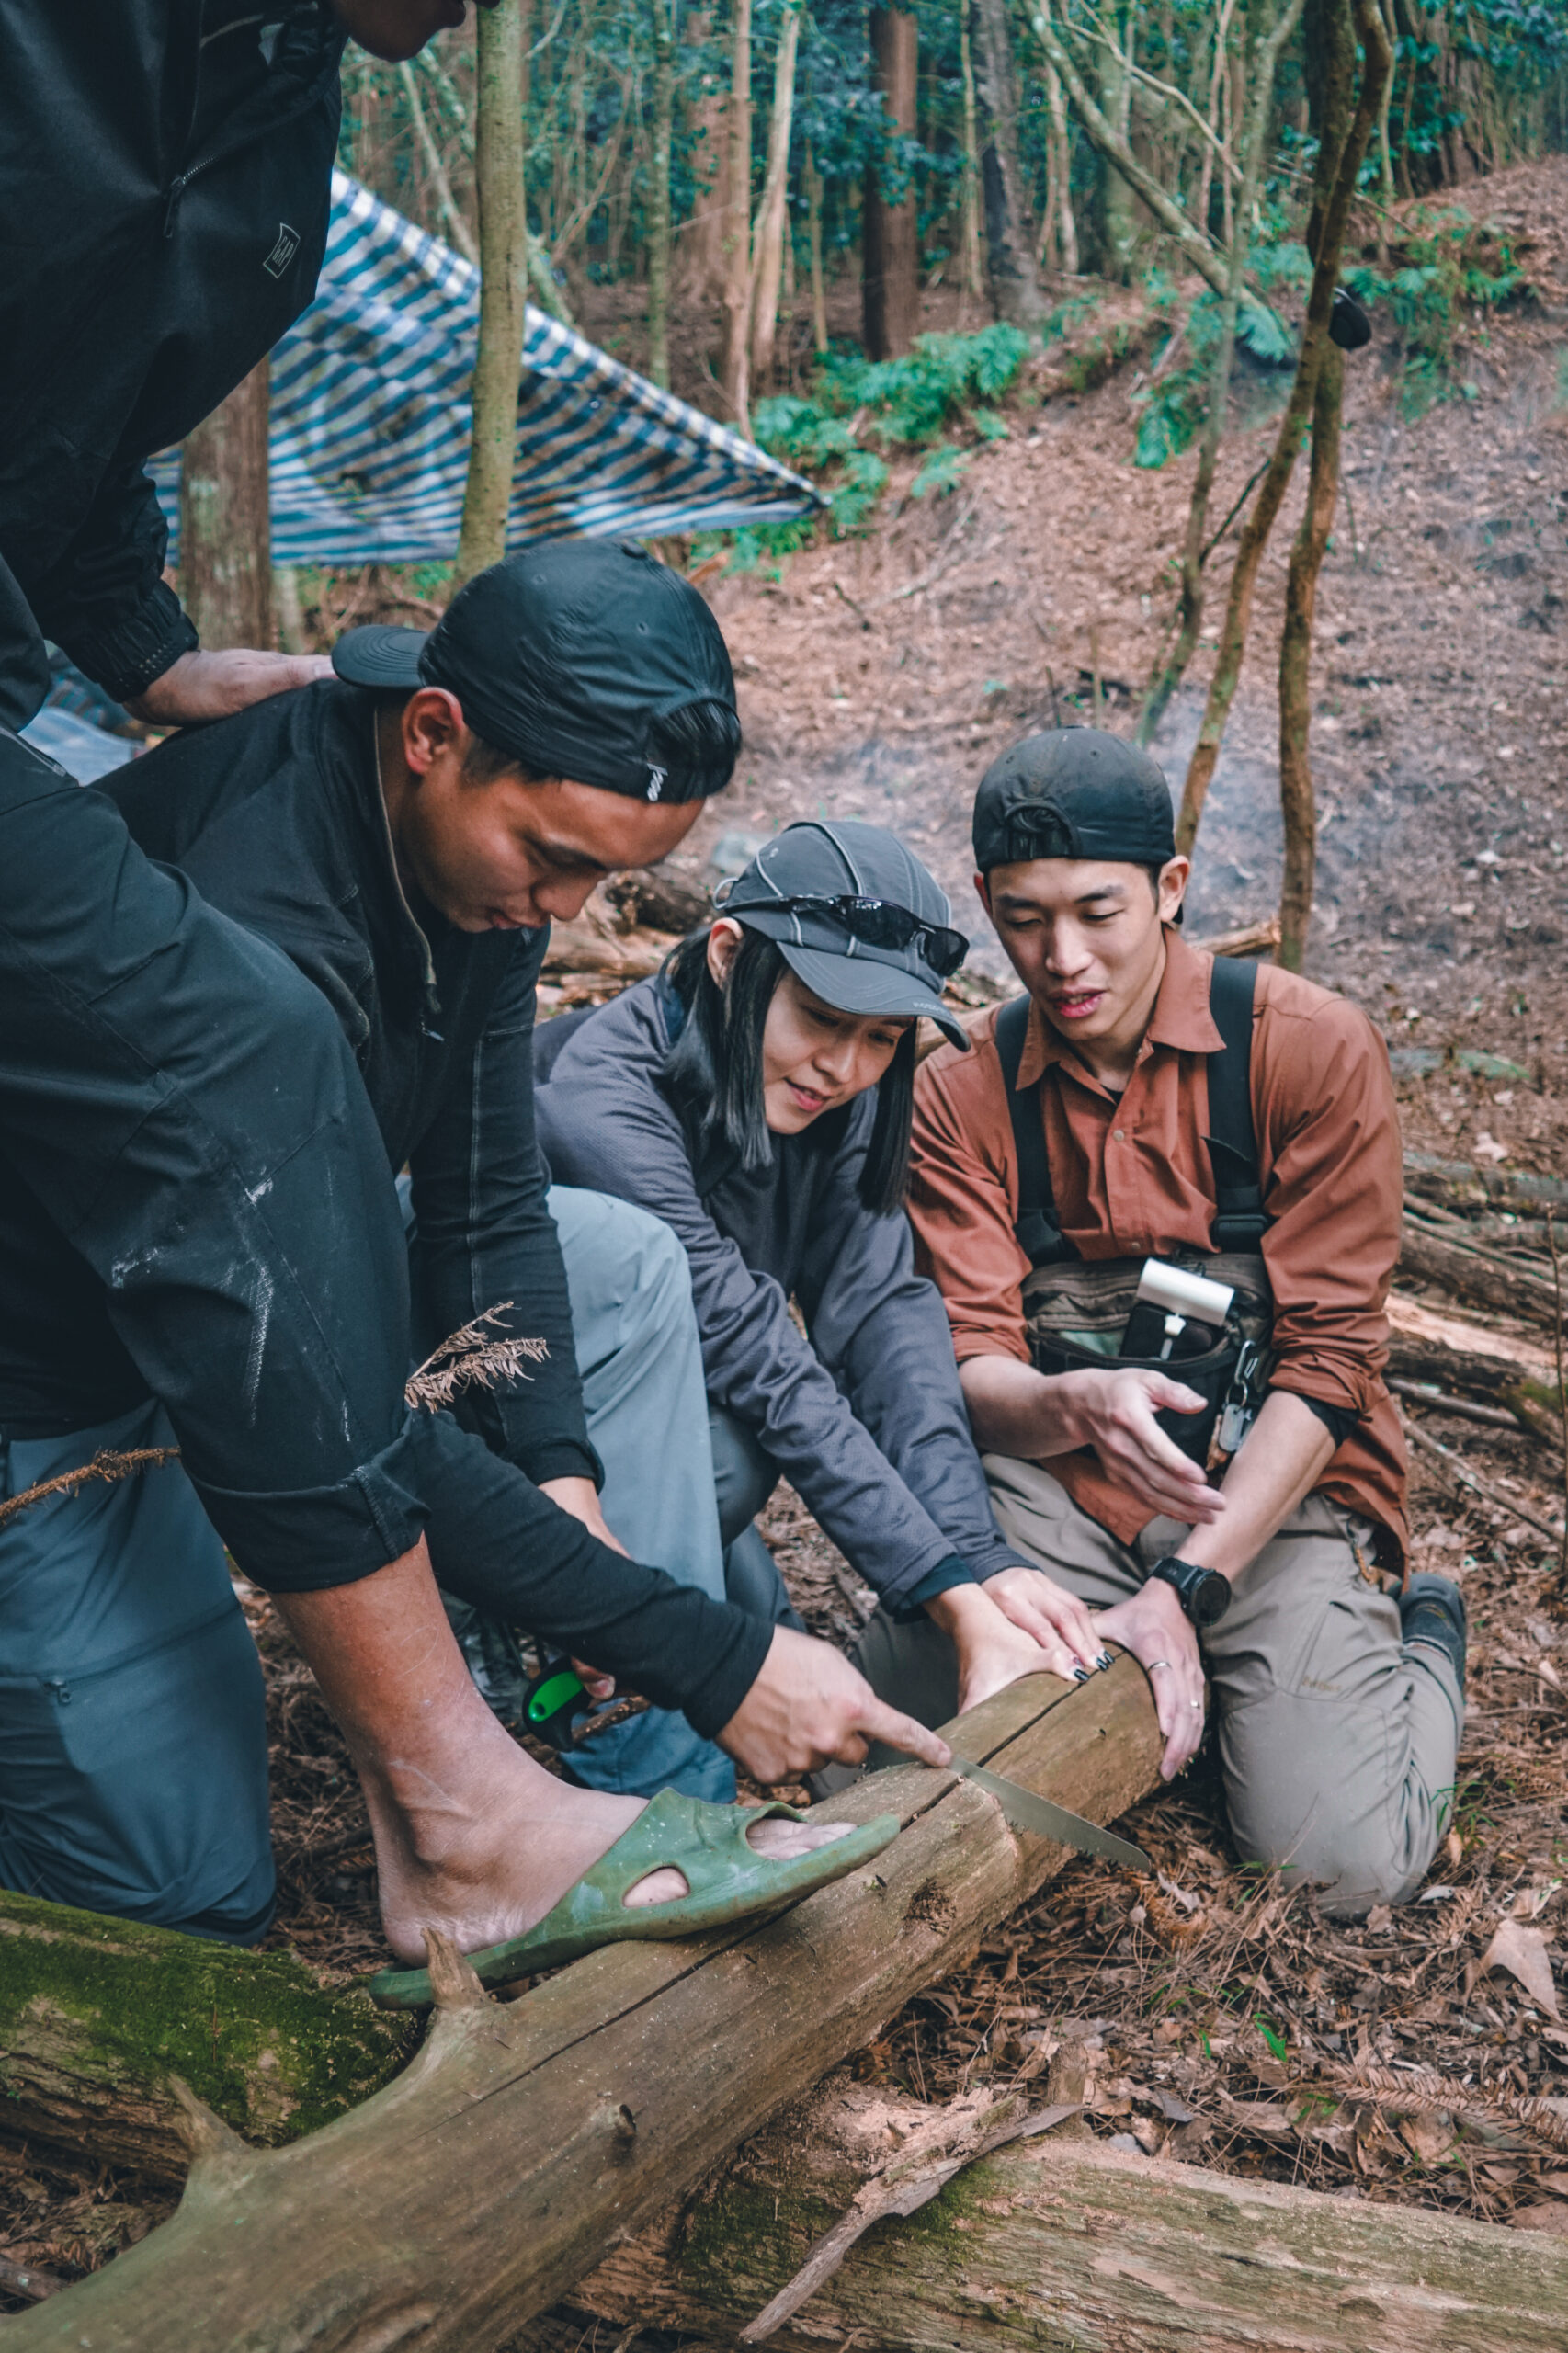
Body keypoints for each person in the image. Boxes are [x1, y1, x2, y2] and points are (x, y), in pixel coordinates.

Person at [0, 3, 940, 1981]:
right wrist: (683, 1619)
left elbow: (490, 1214)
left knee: (602, 1263)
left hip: (233, 1347)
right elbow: (324, 1376)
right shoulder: (254, 935)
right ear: (431, 733)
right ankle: (555, 1758)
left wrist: (578, 1509)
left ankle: (653, 1766)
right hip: (68, 1379)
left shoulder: (471, 876)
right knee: (186, 1901)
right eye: (556, 857)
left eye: (622, 880)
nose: (571, 914)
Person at [885, 728, 1463, 1918]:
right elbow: (967, 1360)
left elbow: (1333, 1361)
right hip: (1054, 1492)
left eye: (1097, 911)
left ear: (1172, 889)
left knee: (1342, 1871)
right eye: (1022, 917)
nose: (1061, 957)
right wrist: (1061, 1403)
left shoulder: (1303, 1052)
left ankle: (1420, 1633)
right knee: (895, 1741)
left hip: (1269, 1497)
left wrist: (1187, 1590)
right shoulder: (957, 1091)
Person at [537, 819, 1108, 1797]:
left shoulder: (835, 1097)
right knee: (730, 1458)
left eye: (880, 1037)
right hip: (498, 1438)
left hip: (669, 1423)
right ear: (727, 957)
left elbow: (885, 1321)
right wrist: (945, 1596)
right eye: (818, 1016)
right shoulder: (597, 1095)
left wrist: (971, 1556)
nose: (841, 1066)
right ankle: (587, 1720)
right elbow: (757, 1354)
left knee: (828, 1753)